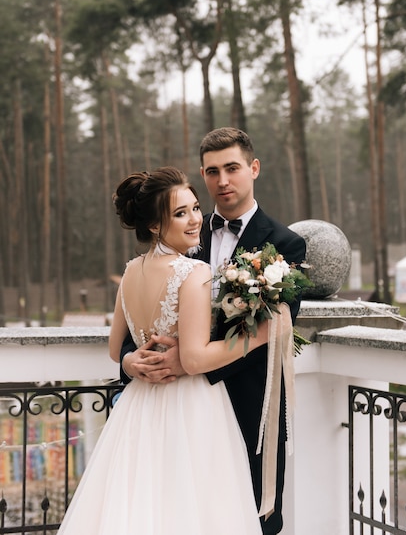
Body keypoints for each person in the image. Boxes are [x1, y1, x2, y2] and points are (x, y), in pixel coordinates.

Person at [57, 166, 267, 535]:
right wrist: (260, 336)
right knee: (194, 508)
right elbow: (195, 359)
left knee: (143, 503)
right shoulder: (194, 272)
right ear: (155, 224)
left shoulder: (132, 270)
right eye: (180, 213)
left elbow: (113, 348)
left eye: (195, 208)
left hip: (140, 405)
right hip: (190, 405)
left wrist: (131, 360)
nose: (194, 220)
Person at [121, 128, 306, 535]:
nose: (222, 180)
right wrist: (130, 360)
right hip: (177, 412)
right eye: (211, 171)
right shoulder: (183, 230)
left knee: (255, 518)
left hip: (249, 403)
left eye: (232, 168)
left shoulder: (286, 244)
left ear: (253, 169)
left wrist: (191, 362)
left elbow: (276, 329)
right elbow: (140, 322)